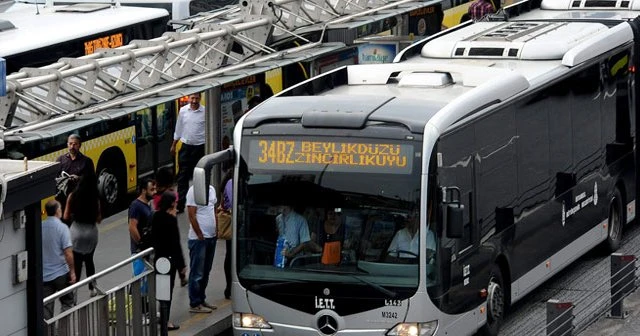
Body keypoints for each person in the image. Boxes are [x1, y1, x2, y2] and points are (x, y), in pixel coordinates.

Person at [150, 191, 186, 331]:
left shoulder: (156, 216)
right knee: (167, 293)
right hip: (169, 260)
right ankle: (166, 321)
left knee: (162, 291)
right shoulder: (171, 220)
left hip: (159, 259)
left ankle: (163, 317)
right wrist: (181, 265)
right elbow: (176, 244)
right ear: (172, 203)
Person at [63, 172, 101, 297]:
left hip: (76, 232)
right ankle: (92, 288)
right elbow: (99, 219)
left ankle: (74, 291)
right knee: (89, 260)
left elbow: (66, 216)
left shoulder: (73, 196)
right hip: (91, 233)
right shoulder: (95, 198)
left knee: (77, 262)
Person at [171, 93, 206, 213]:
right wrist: (174, 144)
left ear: (200, 99)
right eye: (192, 98)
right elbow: (178, 128)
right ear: (189, 99)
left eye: (196, 98)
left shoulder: (205, 112)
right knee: (182, 177)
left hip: (200, 148)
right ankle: (180, 205)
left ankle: (200, 203)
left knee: (199, 176)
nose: (194, 101)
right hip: (186, 148)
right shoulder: (183, 111)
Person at [186, 183, 218, 313]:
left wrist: (217, 229)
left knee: (206, 270)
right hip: (199, 239)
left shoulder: (211, 189)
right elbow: (191, 214)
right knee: (197, 272)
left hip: (211, 237)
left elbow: (214, 210)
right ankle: (194, 302)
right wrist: (199, 234)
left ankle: (201, 298)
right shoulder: (193, 191)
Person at [42, 200, 76, 322]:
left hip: (45, 276)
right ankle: (63, 328)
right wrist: (72, 271)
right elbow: (68, 253)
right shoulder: (62, 228)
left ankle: (49, 332)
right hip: (61, 273)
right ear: (57, 211)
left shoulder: (40, 226)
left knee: (46, 309)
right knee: (68, 302)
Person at [55, 134, 95, 216]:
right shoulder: (61, 160)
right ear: (67, 144)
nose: (72, 146)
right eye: (70, 144)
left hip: (80, 200)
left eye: (75, 144)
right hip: (63, 200)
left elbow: (92, 180)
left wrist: (79, 178)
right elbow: (55, 179)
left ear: (79, 145)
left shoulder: (86, 161)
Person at [220, 169, 233, 300]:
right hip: (233, 223)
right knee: (230, 255)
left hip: (234, 223)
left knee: (230, 254)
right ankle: (229, 287)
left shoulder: (228, 182)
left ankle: (229, 286)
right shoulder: (231, 183)